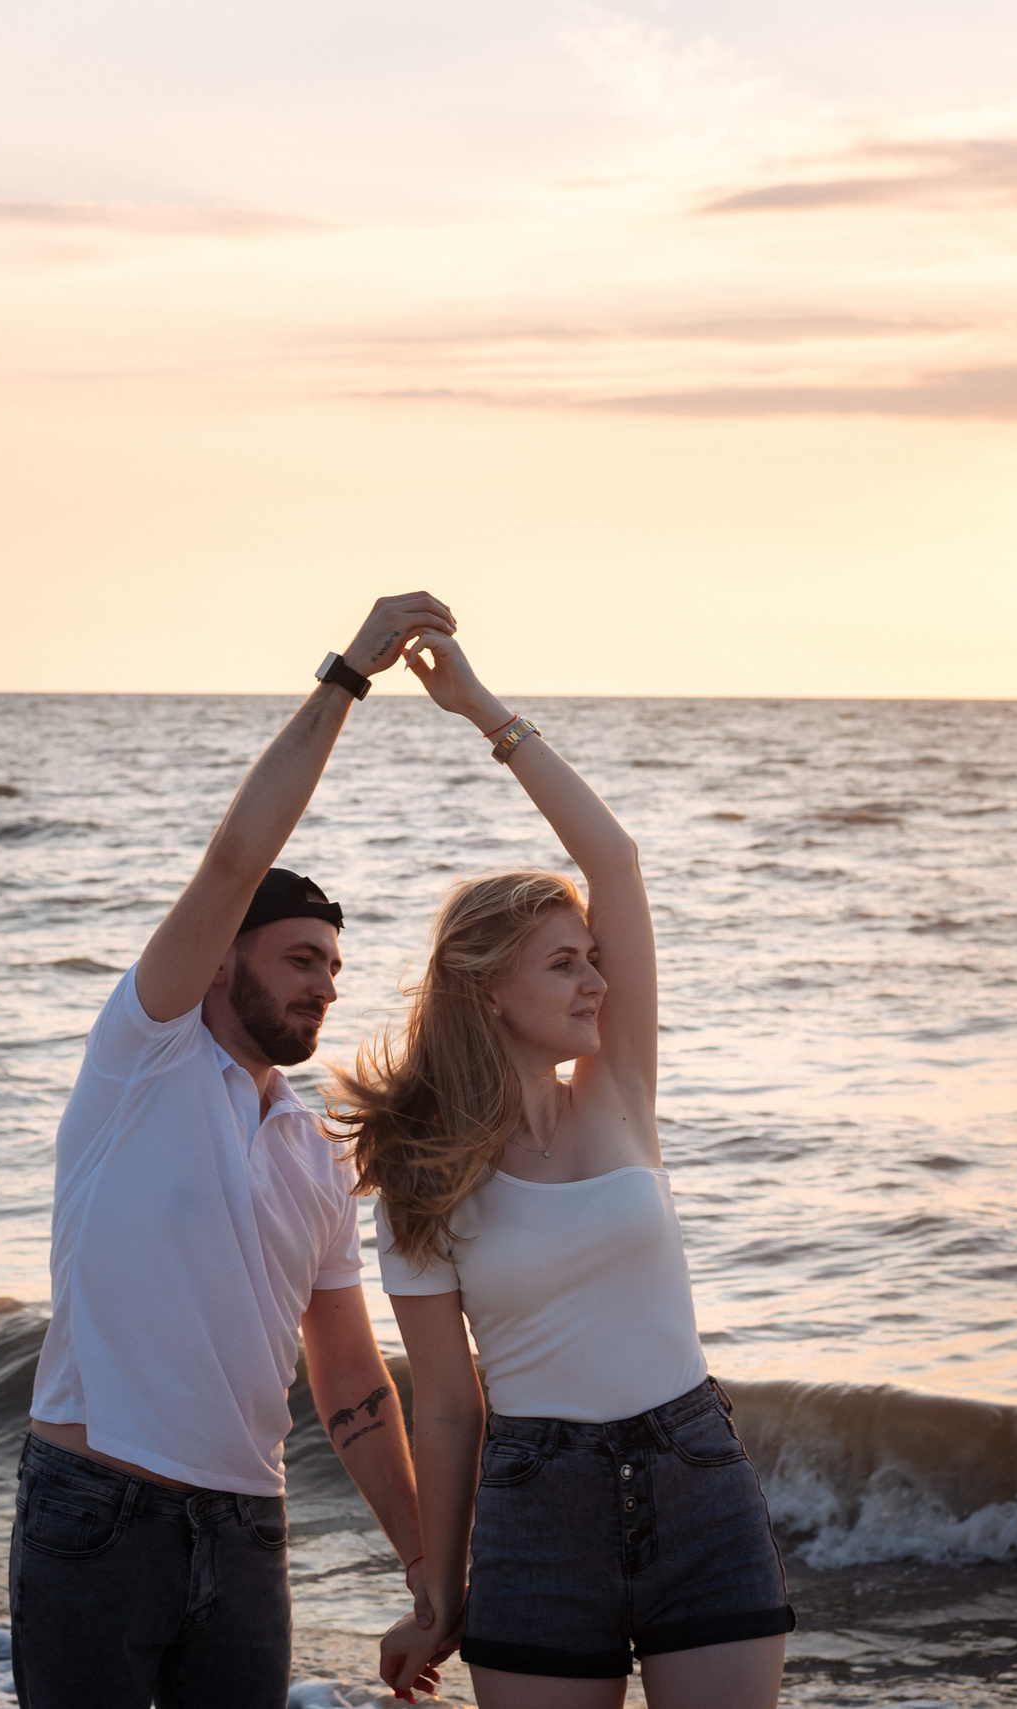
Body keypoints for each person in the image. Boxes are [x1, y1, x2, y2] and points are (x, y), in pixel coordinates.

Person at [11, 592, 455, 1709]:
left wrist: (422, 1562)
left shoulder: (310, 1150)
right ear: (221, 960)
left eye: (334, 970)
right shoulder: (142, 1060)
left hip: (247, 1528)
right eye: (301, 956)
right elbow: (234, 855)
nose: (323, 984)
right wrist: (348, 675)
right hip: (97, 1509)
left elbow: (350, 1378)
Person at [336, 631, 793, 1709]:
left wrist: (485, 711)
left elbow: (616, 860)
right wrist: (435, 1589)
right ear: (489, 987)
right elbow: (447, 1406)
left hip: (697, 1484)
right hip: (536, 1511)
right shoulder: (420, 1168)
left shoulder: (619, 1085)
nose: (594, 978)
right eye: (562, 961)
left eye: (594, 956)